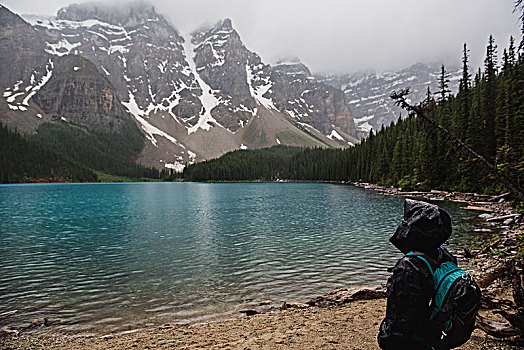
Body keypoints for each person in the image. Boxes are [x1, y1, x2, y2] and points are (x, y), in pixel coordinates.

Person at [378, 198, 458, 349]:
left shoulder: (409, 266)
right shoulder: (445, 256)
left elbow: (402, 316)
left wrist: (386, 337)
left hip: (413, 339)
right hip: (432, 332)